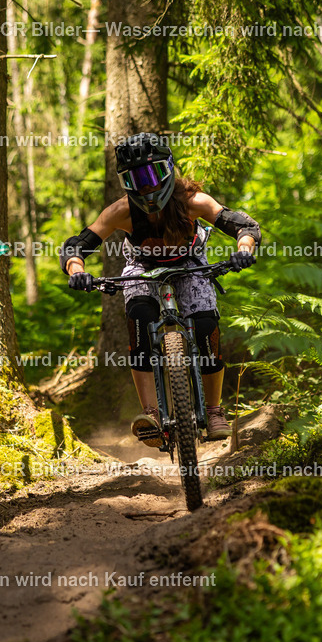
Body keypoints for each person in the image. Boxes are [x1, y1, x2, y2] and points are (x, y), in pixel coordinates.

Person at [60, 132, 261, 446]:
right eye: (137, 178)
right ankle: (152, 414)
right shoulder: (122, 212)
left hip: (190, 262)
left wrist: (244, 249)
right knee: (140, 319)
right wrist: (77, 271)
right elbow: (77, 245)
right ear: (126, 182)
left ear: (168, 169)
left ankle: (214, 411)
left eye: (153, 174)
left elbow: (241, 225)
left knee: (206, 325)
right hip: (143, 267)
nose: (147, 185)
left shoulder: (193, 201)